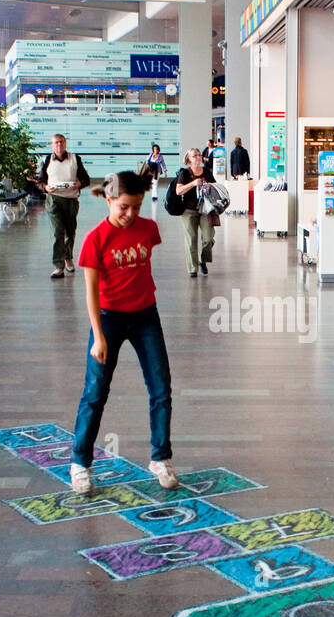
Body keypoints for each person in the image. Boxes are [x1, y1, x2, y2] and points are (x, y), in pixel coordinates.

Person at [69, 169, 178, 495]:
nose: (131, 214)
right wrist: (98, 336)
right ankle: (79, 463)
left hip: (146, 316)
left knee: (161, 388)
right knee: (96, 392)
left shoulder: (149, 229)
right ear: (108, 199)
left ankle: (160, 457)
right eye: (124, 207)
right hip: (109, 318)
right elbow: (90, 292)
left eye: (137, 207)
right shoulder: (95, 239)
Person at [35, 134, 91, 278]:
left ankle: (68, 258)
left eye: (61, 142)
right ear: (52, 145)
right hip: (53, 200)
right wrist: (45, 188)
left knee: (70, 231)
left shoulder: (75, 159)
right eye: (56, 143)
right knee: (57, 232)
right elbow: (40, 182)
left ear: (65, 144)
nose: (59, 145)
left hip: (71, 200)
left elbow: (86, 179)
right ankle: (58, 265)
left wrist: (79, 184)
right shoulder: (47, 160)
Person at [172, 146, 216, 278]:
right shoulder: (184, 173)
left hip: (205, 210)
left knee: (208, 238)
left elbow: (215, 187)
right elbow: (178, 191)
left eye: (199, 155)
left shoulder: (207, 172)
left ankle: (203, 260)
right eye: (194, 156)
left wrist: (209, 186)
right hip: (189, 210)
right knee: (191, 240)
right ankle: (193, 268)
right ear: (189, 159)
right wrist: (192, 184)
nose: (198, 157)